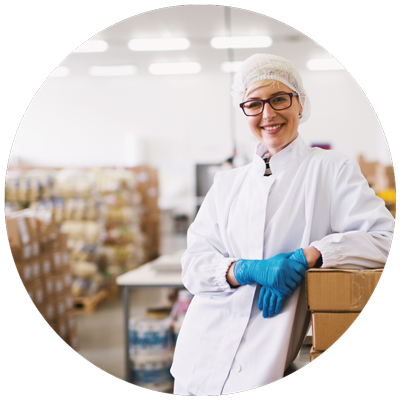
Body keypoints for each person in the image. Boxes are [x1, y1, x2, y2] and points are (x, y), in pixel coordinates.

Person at [170, 54, 394, 395]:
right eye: (254, 103)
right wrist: (243, 270)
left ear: (300, 103)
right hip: (197, 359)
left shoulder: (331, 169)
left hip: (264, 366)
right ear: (243, 110)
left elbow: (385, 238)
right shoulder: (228, 183)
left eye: (279, 99)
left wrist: (308, 255)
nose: (268, 114)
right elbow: (193, 267)